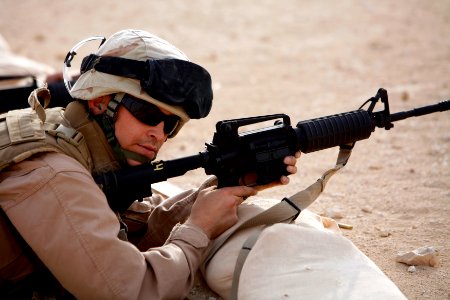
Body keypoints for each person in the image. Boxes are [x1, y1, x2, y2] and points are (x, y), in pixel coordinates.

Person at [0, 29, 300, 299]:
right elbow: (129, 290)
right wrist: (198, 229)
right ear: (100, 101)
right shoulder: (54, 173)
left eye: (171, 124)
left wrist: (222, 190)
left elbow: (130, 229)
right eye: (146, 112)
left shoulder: (74, 137)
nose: (158, 133)